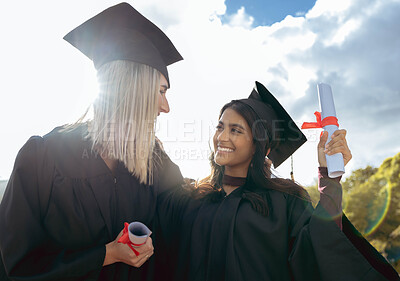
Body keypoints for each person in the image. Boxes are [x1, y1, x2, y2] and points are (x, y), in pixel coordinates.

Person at [0, 2, 184, 281]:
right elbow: (18, 267)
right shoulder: (42, 157)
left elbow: (188, 209)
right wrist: (107, 254)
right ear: (133, 88)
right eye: (161, 91)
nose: (166, 107)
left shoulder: (152, 158)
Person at [157, 81, 400, 280]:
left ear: (260, 145)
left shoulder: (284, 203)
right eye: (220, 127)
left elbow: (320, 250)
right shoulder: (193, 197)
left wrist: (329, 178)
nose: (221, 137)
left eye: (236, 130)